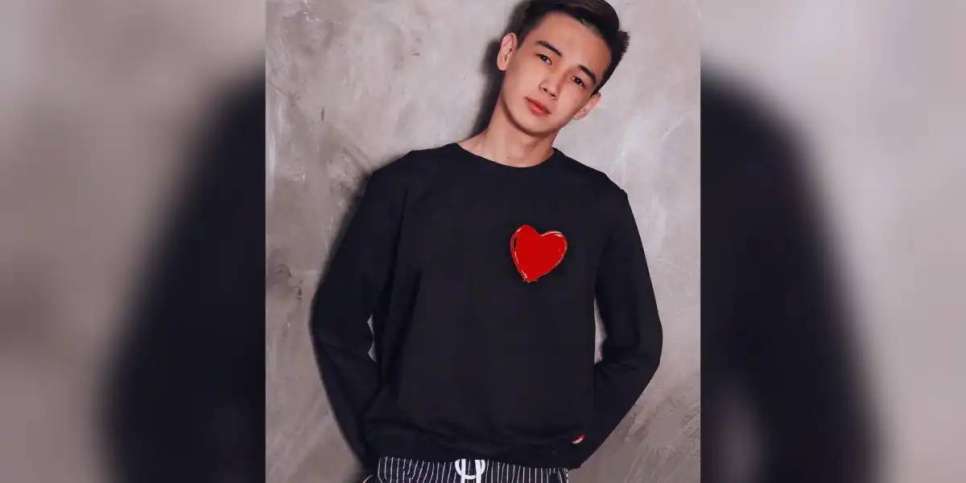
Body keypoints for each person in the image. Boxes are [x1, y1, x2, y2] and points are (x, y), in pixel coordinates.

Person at [310, 1, 663, 481]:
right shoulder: (406, 186)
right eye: (545, 57)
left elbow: (639, 346)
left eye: (578, 80)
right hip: (411, 467)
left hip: (531, 472)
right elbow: (337, 322)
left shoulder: (600, 207)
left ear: (588, 104)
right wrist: (381, 434)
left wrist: (580, 427)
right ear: (508, 52)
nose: (553, 85)